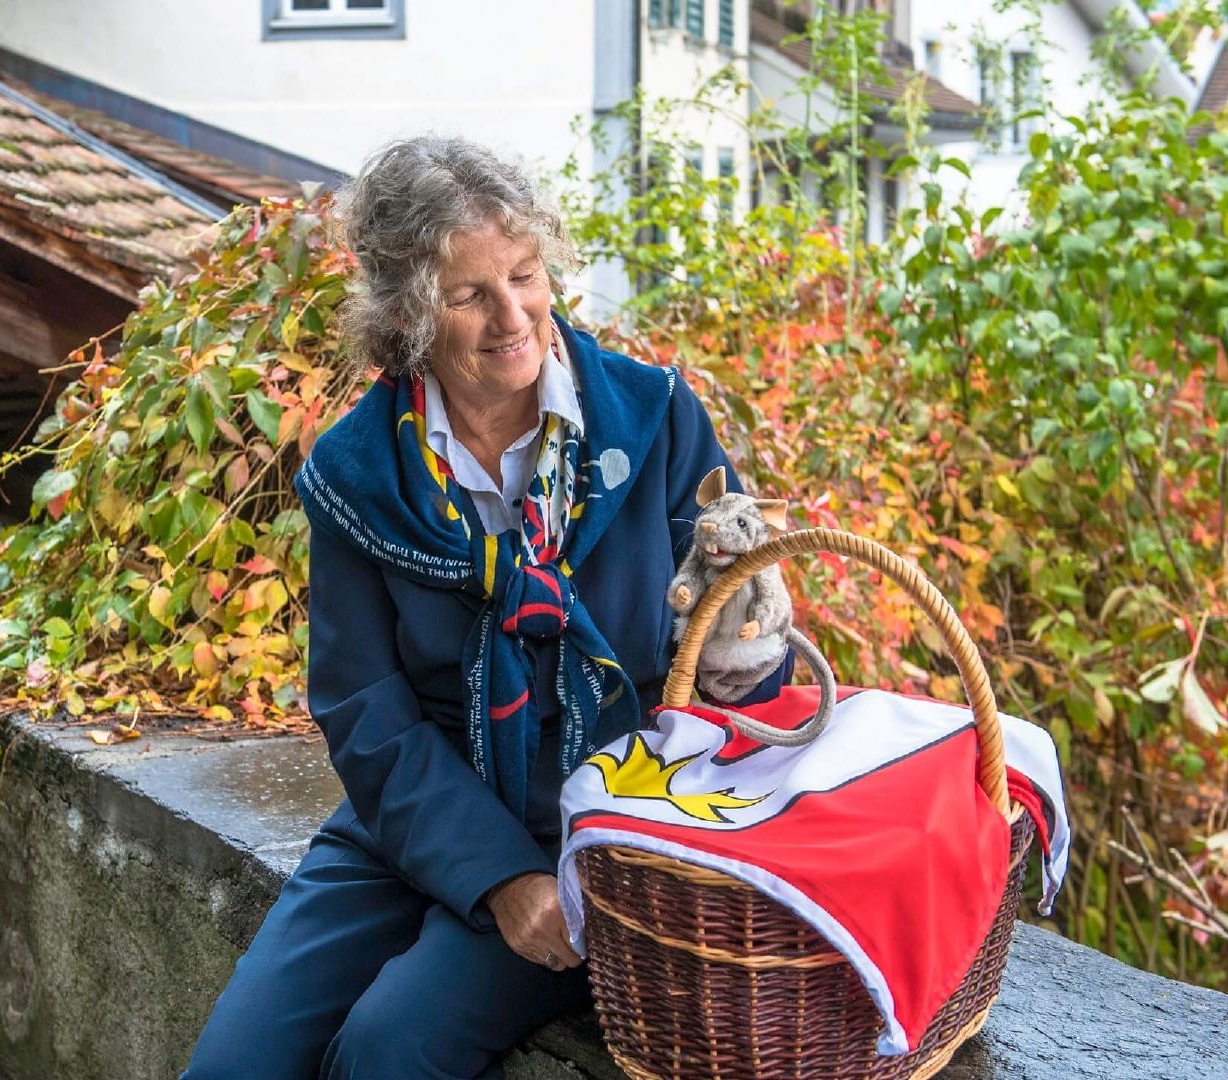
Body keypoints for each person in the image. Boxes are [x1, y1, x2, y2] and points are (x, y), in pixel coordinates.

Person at [181, 134, 791, 1080]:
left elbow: (739, 684)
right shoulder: (357, 473)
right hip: (420, 820)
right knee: (232, 1068)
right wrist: (496, 874)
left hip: (594, 827)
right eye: (470, 296)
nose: (515, 317)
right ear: (409, 316)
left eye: (526, 274)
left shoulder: (655, 416)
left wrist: (751, 641)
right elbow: (363, 711)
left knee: (386, 1056)